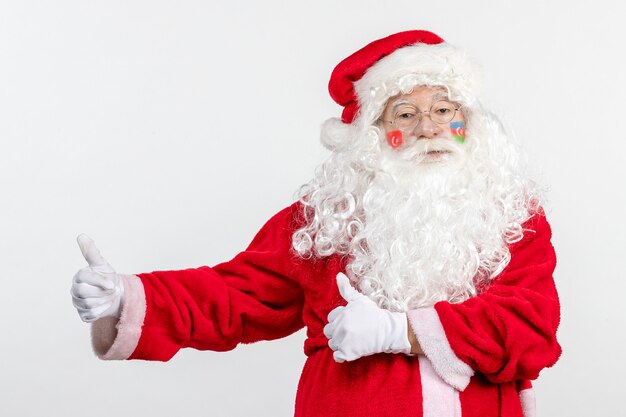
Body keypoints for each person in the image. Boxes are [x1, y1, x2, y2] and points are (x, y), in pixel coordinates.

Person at [71, 30, 561, 417]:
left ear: (466, 120)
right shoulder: (328, 218)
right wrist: (129, 296)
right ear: (372, 133)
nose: (428, 128)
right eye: (405, 113)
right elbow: (238, 295)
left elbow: (530, 327)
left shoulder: (510, 216)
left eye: (443, 110)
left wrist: (399, 331)